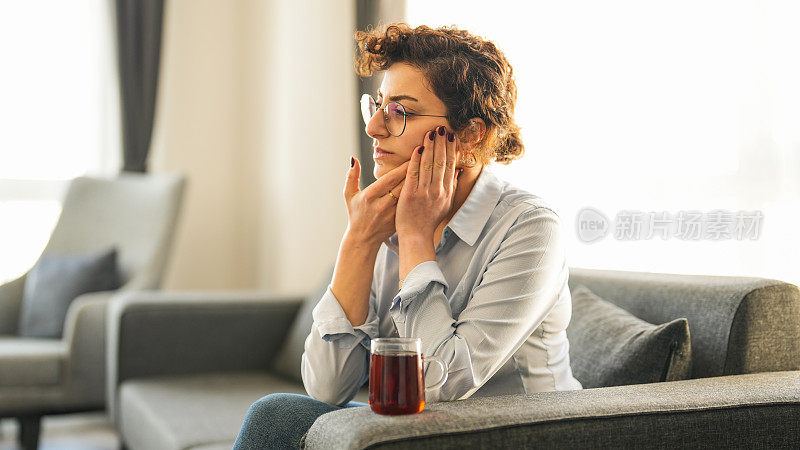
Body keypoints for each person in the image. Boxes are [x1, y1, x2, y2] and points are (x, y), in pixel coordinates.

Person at [233, 22, 582, 449]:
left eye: (400, 112)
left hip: (520, 434)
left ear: (472, 134)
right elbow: (326, 388)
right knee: (278, 416)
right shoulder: (386, 220)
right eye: (377, 105)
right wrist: (358, 243)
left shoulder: (531, 227)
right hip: (428, 430)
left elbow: (441, 385)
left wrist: (415, 236)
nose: (374, 128)